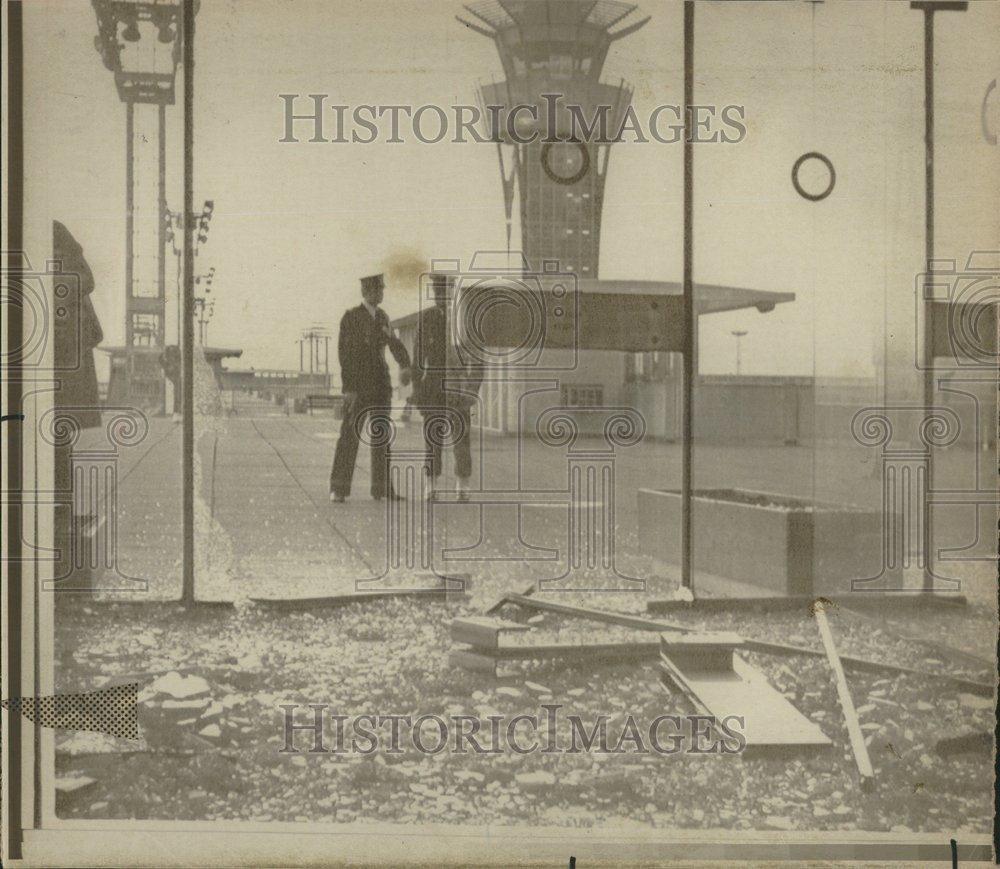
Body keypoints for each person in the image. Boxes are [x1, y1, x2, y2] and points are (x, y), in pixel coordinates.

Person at [329, 274, 411, 502]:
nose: (381, 293)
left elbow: (394, 344)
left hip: (381, 386)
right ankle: (338, 489)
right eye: (377, 290)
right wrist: (349, 389)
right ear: (366, 291)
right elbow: (344, 355)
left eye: (382, 289)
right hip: (358, 387)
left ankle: (382, 489)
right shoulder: (351, 317)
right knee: (349, 437)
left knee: (382, 438)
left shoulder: (383, 317)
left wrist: (405, 364)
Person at [410, 273, 483, 501]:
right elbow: (418, 359)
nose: (443, 297)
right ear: (434, 294)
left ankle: (463, 486)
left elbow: (478, 359)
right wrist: (418, 392)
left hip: (459, 389)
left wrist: (471, 390)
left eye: (447, 292)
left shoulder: (466, 320)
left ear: (453, 292)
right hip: (433, 388)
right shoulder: (427, 319)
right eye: (439, 292)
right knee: (433, 440)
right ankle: (431, 485)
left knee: (461, 439)